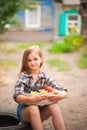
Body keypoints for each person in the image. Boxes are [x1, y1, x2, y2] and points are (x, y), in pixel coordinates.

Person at [13, 45, 67, 130]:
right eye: (29, 60)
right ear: (25, 62)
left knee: (54, 107)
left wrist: (59, 95)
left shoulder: (44, 77)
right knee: (33, 108)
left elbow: (63, 90)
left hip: (40, 111)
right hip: (25, 112)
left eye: (35, 59)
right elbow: (17, 96)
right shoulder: (23, 77)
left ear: (41, 59)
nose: (33, 62)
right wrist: (32, 99)